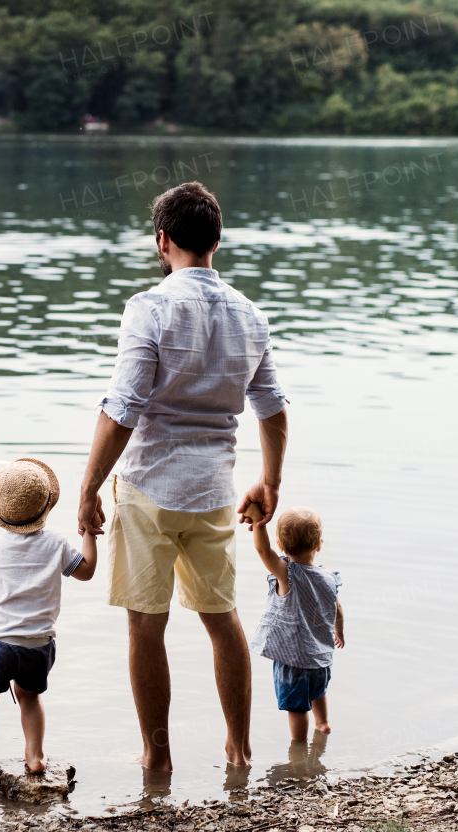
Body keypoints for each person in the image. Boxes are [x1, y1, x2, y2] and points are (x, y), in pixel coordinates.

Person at [77, 181, 289, 772]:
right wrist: (270, 482)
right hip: (214, 491)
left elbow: (122, 407)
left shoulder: (149, 308)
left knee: (147, 627)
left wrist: (90, 486)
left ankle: (158, 755)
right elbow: (270, 406)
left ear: (162, 240)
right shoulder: (250, 314)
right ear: (217, 241)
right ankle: (240, 749)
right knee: (223, 620)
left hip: (149, 487)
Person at [0, 458, 97, 784]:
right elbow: (88, 571)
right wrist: (89, 533)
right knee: (30, 698)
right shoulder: (57, 545)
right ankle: (35, 757)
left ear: (0, 513)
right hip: (39, 645)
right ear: (46, 507)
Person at [243, 503, 344, 743]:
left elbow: (262, 550)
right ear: (319, 545)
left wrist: (258, 521)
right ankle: (324, 724)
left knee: (297, 707)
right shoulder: (328, 577)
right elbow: (337, 607)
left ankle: (298, 747)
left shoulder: (287, 574)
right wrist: (338, 631)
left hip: (294, 658)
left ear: (280, 544)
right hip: (321, 656)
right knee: (318, 692)